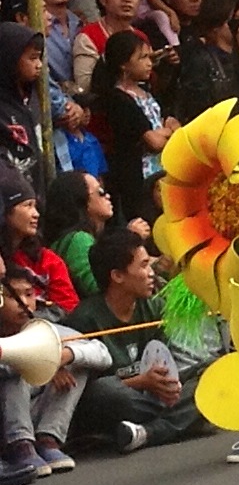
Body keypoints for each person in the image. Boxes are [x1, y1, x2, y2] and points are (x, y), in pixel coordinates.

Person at [68, 226, 207, 454]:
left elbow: (163, 358)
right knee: (106, 391)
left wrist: (168, 383)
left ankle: (145, 433)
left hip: (150, 396)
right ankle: (183, 418)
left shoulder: (152, 306)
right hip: (120, 399)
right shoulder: (84, 319)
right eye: (143, 265)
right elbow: (87, 389)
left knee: (208, 372)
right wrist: (141, 381)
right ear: (117, 276)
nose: (152, 272)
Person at [0, 253, 90, 479]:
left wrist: (60, 358)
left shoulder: (40, 328)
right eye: (12, 295)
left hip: (34, 410)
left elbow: (99, 351)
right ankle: (20, 445)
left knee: (77, 362)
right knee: (17, 361)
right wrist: (34, 360)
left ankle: (48, 440)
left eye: (29, 294)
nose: (24, 302)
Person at [100, 31, 176, 228]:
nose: (149, 63)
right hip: (140, 177)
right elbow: (154, 141)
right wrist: (166, 132)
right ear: (123, 64)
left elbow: (173, 123)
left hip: (162, 170)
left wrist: (163, 131)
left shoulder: (147, 91)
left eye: (150, 57)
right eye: (142, 58)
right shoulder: (119, 99)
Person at [0, 166, 77, 313]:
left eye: (35, 206)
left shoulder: (47, 260)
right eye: (27, 205)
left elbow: (69, 306)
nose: (36, 214)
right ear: (6, 212)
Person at [41, 168, 116, 297]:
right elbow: (100, 289)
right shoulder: (78, 240)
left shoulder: (76, 237)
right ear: (81, 201)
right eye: (100, 192)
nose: (108, 196)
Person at [0, 22, 45, 190]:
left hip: (36, 189)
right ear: (10, 58)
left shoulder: (33, 98)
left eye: (39, 57)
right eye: (32, 58)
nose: (39, 64)